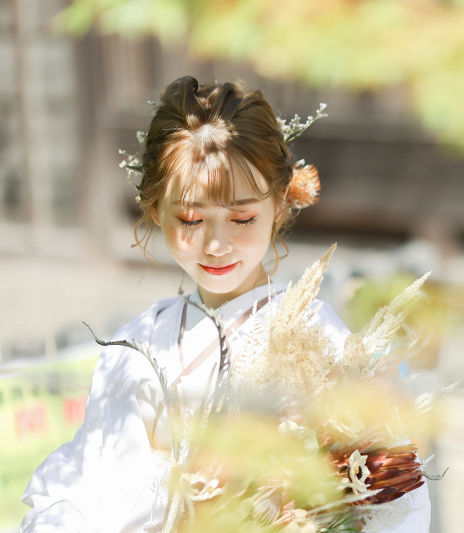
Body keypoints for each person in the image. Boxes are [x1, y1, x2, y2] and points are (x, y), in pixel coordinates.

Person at [20, 76, 431, 533]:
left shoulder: (314, 336)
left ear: (280, 204)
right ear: (155, 209)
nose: (217, 245)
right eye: (191, 218)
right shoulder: (136, 347)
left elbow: (391, 496)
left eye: (242, 218)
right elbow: (84, 488)